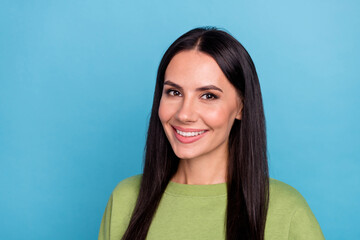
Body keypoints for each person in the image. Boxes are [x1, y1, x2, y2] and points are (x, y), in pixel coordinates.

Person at [98, 27, 325, 240]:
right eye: (174, 92)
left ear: (241, 107)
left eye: (208, 96)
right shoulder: (125, 199)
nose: (184, 114)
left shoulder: (286, 211)